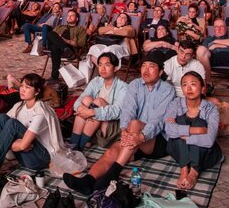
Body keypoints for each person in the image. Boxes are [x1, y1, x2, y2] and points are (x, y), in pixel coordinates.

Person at [63, 52, 176, 195]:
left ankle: (113, 174)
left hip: (155, 141)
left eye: (151, 67)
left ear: (160, 71)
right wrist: (123, 129)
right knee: (111, 151)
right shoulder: (135, 84)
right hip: (132, 138)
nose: (146, 70)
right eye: (143, 66)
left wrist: (140, 137)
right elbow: (128, 110)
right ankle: (88, 181)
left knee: (135, 123)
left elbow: (158, 121)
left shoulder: (167, 90)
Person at [0, 73, 67, 182]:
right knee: (2, 118)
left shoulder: (40, 112)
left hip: (41, 158)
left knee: (12, 124)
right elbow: (1, 129)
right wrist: (8, 141)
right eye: (22, 86)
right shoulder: (19, 106)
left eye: (27, 87)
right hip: (26, 153)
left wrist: (7, 142)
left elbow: (23, 145)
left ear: (37, 92)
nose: (22, 90)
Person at [165, 72, 223, 191]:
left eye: (193, 84)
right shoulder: (175, 104)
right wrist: (196, 130)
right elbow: (168, 130)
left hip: (205, 154)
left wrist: (186, 136)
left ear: (202, 88)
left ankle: (194, 172)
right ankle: (184, 169)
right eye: (185, 85)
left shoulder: (211, 109)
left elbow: (209, 140)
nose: (189, 88)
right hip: (179, 149)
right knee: (183, 121)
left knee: (200, 122)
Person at [70, 52, 128, 149]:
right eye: (100, 65)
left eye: (107, 65)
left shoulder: (124, 87)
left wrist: (92, 112)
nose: (102, 68)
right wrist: (81, 108)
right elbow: (80, 99)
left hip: (111, 127)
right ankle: (74, 144)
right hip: (92, 123)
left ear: (116, 68)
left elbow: (117, 111)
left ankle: (78, 147)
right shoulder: (96, 81)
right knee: (86, 99)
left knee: (98, 102)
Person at [46, 9, 88, 81]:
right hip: (65, 50)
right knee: (50, 33)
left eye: (72, 16)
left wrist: (66, 41)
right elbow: (50, 37)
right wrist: (59, 39)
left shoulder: (80, 29)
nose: (69, 17)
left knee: (55, 47)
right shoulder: (60, 27)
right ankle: (64, 49)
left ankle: (54, 77)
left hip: (70, 48)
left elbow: (81, 43)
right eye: (68, 15)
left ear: (77, 19)